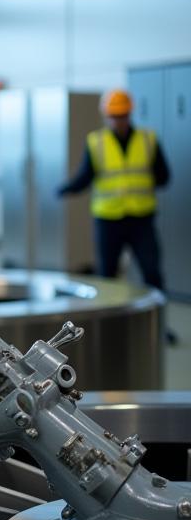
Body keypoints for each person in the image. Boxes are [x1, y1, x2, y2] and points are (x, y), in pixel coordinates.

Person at [58, 87, 175, 343]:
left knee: (152, 273)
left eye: (122, 115)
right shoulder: (96, 142)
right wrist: (66, 188)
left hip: (141, 218)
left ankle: (160, 327)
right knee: (106, 276)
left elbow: (164, 176)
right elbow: (85, 177)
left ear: (130, 114)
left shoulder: (148, 140)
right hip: (108, 220)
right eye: (113, 115)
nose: (117, 120)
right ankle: (106, 327)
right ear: (106, 115)